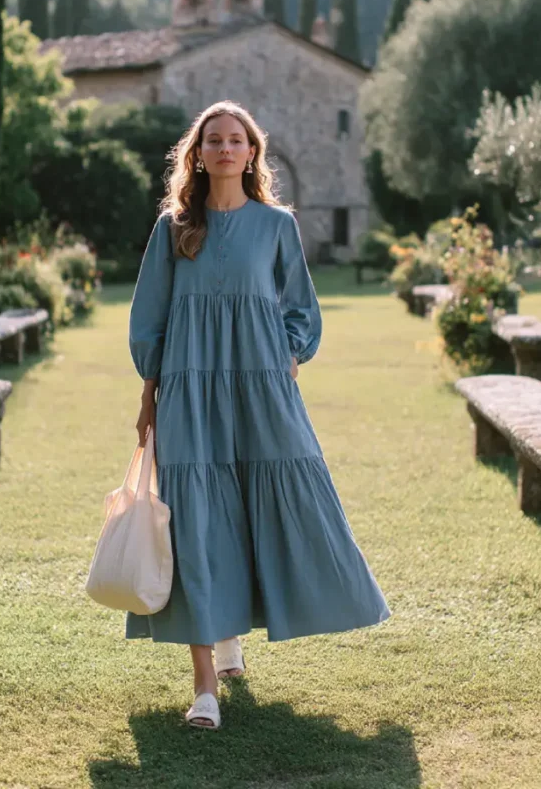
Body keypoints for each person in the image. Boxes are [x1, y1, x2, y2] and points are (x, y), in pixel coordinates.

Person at [127, 100, 391, 730]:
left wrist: (288, 357)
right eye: (213, 140)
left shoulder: (276, 225)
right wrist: (148, 392)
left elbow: (301, 307)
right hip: (190, 389)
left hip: (263, 385)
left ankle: (234, 632)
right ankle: (204, 687)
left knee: (277, 497)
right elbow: (151, 318)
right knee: (196, 515)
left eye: (235, 140)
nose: (224, 148)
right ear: (197, 154)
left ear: (251, 154)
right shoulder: (173, 228)